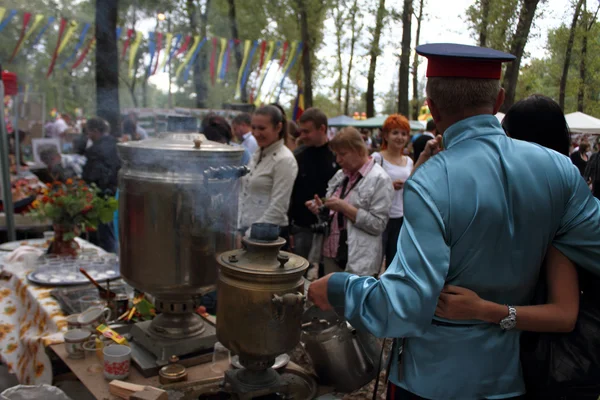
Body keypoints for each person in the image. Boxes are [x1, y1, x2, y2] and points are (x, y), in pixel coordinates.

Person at [307, 43, 600, 400]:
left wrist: (340, 287)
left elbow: (406, 306)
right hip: (514, 376)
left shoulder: (431, 182)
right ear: (498, 101)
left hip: (433, 380)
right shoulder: (560, 169)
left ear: (432, 107)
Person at [305, 127, 393, 276]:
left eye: (343, 154)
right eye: (336, 154)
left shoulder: (380, 179)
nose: (338, 160)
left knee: (353, 299)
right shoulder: (341, 175)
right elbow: (332, 214)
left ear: (359, 150)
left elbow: (378, 225)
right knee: (330, 298)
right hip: (330, 254)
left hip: (358, 262)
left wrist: (345, 208)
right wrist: (321, 209)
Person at [238, 105, 298, 247]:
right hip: (247, 233)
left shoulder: (284, 160)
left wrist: (248, 236)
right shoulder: (257, 155)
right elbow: (244, 192)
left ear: (278, 127)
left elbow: (278, 208)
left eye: (262, 128)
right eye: (254, 128)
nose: (256, 133)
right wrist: (238, 228)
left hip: (269, 238)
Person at [288, 108, 338, 265]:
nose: (302, 136)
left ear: (322, 129)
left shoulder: (337, 156)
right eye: (300, 132)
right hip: (302, 227)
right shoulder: (297, 156)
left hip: (331, 228)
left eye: (306, 131)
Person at [371, 114, 413, 269]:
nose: (400, 137)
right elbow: (366, 184)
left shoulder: (409, 162)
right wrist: (388, 184)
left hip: (401, 217)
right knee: (374, 263)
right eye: (395, 133)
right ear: (386, 136)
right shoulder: (376, 158)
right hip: (380, 216)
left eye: (403, 133)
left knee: (393, 263)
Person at [82, 117, 121, 253]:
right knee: (114, 232)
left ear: (96, 131)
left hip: (102, 194)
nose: (88, 136)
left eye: (89, 132)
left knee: (106, 234)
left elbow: (93, 176)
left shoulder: (95, 150)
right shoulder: (117, 144)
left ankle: (110, 261)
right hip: (117, 192)